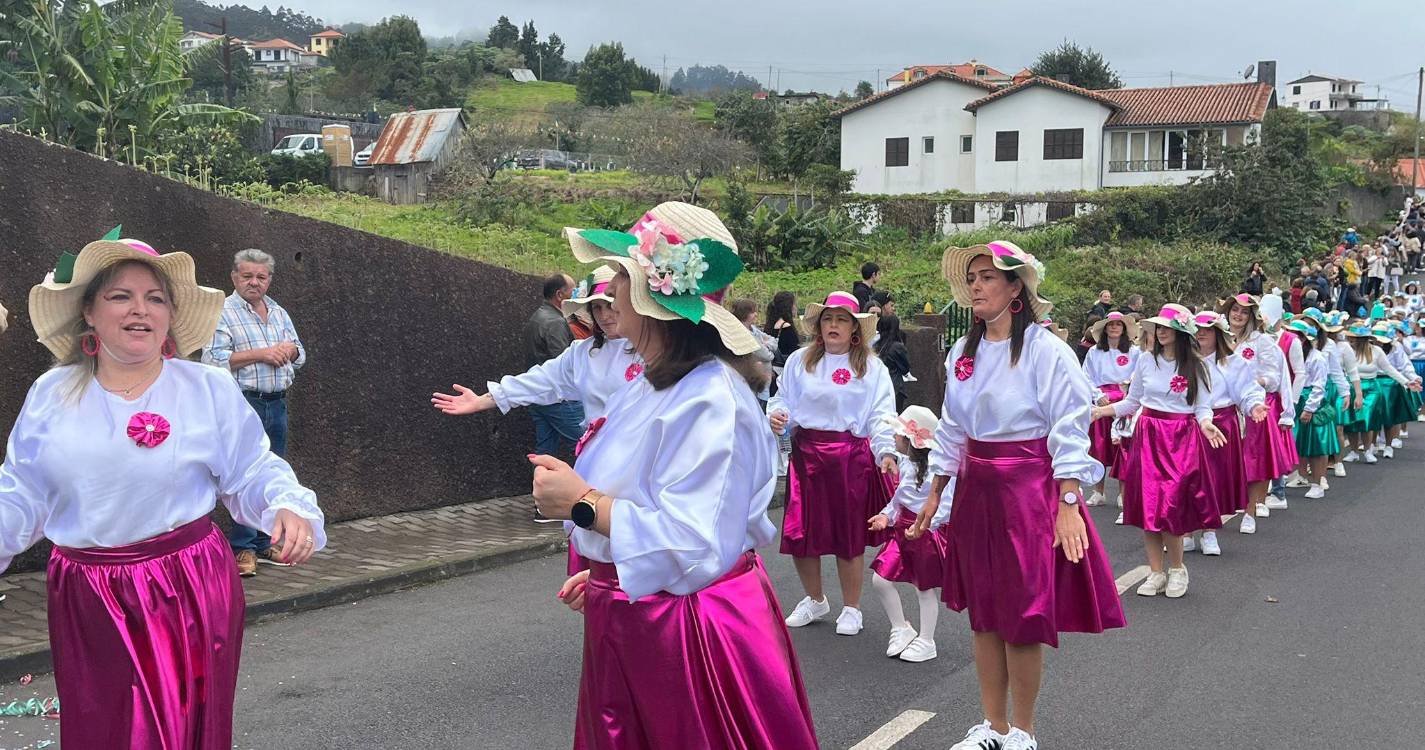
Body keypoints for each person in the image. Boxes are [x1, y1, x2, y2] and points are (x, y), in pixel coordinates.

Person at [3, 233, 324, 749]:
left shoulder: (206, 388)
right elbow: (19, 493)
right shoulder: (52, 394)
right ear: (88, 311)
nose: (140, 310)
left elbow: (252, 469)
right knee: (104, 731)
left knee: (178, 733)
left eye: (155, 298)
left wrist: (285, 506)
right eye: (120, 296)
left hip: (185, 586)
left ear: (171, 316)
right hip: (88, 595)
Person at [539, 201, 819, 749]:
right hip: (650, 619)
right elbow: (659, 508)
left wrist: (581, 505)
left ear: (651, 298)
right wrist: (605, 573)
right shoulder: (658, 383)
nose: (611, 293)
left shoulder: (709, 400)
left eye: (621, 277)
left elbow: (692, 545)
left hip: (688, 634)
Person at [919, 240, 1123, 750]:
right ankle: (993, 725)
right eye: (972, 278)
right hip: (978, 489)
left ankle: (1024, 731)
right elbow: (952, 428)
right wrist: (935, 489)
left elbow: (1070, 424)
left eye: (988, 277)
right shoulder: (962, 351)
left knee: (1024, 615)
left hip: (1028, 488)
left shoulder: (1046, 350)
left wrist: (1069, 502)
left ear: (1016, 289)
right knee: (985, 611)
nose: (976, 286)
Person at [770, 291, 898, 637]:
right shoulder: (800, 361)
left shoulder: (870, 366)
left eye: (841, 319)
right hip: (807, 454)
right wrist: (778, 415)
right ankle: (815, 599)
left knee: (847, 535)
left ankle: (852, 607)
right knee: (802, 531)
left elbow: (882, 414)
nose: (833, 325)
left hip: (849, 458)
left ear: (855, 328)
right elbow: (782, 398)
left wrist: (886, 450)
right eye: (828, 319)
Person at [1094, 304, 1227, 599]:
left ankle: (1178, 569)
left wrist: (1206, 424)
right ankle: (1156, 572)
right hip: (1149, 436)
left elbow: (1203, 406)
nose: (1161, 331)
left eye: (1168, 326)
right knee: (1149, 506)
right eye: (1159, 326)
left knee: (1172, 507)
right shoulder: (1144, 360)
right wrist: (1100, 411)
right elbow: (1132, 402)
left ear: (1181, 332)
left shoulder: (1197, 365)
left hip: (1181, 438)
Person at [203, 248, 308, 578]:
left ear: (270, 279)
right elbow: (214, 359)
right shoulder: (222, 311)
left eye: (261, 277)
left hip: (277, 401)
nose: (254, 282)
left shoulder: (278, 312)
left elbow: (299, 352)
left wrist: (288, 349)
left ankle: (265, 541)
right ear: (234, 277)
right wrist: (261, 354)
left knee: (274, 471)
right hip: (244, 402)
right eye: (247, 276)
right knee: (245, 473)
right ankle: (242, 548)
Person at [866, 405, 948, 664]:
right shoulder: (906, 463)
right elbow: (899, 500)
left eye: (899, 434)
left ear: (912, 440)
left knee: (923, 587)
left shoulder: (938, 470)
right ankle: (901, 627)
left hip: (923, 532)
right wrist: (885, 516)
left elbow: (946, 503)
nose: (894, 438)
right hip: (901, 531)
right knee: (880, 579)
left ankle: (927, 639)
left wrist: (929, 524)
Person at [1185, 310, 1267, 557]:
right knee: (1188, 478)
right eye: (1197, 330)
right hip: (1189, 424)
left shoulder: (1234, 362)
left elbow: (1247, 390)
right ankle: (1187, 530)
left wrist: (1254, 406)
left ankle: (1209, 531)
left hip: (1222, 423)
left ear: (1218, 334)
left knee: (1214, 480)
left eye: (1207, 330)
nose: (1201, 334)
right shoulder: (1183, 361)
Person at [1081, 311, 1140, 506]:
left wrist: (1127, 392)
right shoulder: (1094, 352)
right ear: (1105, 328)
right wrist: (1097, 396)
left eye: (1118, 325)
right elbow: (1086, 376)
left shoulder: (1134, 352)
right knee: (1098, 447)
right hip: (1102, 401)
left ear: (1124, 329)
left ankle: (1124, 494)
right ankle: (1099, 492)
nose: (1114, 328)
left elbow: (1138, 376)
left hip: (1125, 401)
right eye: (1110, 325)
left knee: (1122, 448)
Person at [522, 273, 585, 456]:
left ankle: (538, 484)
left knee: (544, 452)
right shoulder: (555, 322)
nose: (577, 295)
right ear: (559, 295)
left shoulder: (536, 318)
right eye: (573, 291)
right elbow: (564, 362)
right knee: (585, 447)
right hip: (559, 399)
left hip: (538, 396)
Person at [1283, 319, 1336, 498]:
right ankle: (1301, 476)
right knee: (1299, 441)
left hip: (1312, 401)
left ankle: (1318, 482)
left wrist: (1310, 408)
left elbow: (1320, 386)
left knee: (1317, 444)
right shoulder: (1291, 355)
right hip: (1296, 399)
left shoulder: (1317, 358)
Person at [875, 314, 911, 413]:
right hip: (895, 387)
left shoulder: (875, 346)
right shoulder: (897, 347)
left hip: (878, 388)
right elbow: (905, 368)